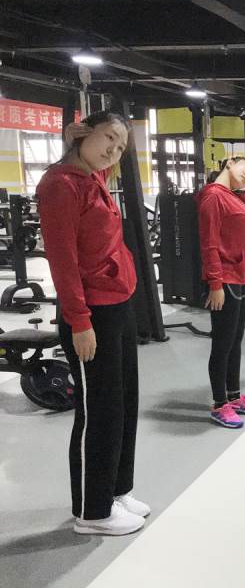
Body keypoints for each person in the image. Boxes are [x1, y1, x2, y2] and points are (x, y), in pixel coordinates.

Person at [37, 112, 148, 536]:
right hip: (90, 314)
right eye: (108, 139)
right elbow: (63, 260)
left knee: (123, 404)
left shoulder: (91, 178)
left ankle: (116, 490)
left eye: (120, 147)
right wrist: (80, 320)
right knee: (99, 411)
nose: (113, 151)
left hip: (117, 305)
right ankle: (93, 511)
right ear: (85, 134)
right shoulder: (60, 185)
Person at [197, 157, 245, 429]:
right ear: (229, 163)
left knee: (236, 341)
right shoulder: (213, 196)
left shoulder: (235, 197)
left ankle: (234, 396)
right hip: (225, 279)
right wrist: (215, 284)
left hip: (242, 277)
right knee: (222, 343)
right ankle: (219, 403)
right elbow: (209, 244)